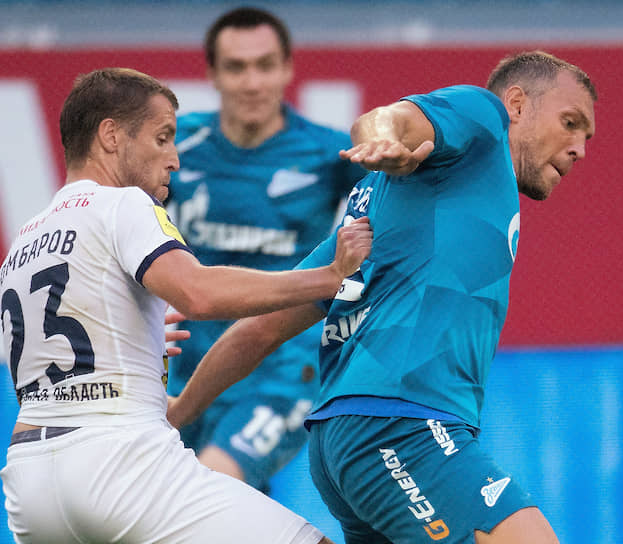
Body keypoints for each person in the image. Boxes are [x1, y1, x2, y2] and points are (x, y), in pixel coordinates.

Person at [169, 51, 597, 543]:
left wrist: (180, 410)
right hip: (400, 426)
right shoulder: (486, 115)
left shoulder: (372, 215)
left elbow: (261, 328)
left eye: (587, 137)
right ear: (517, 104)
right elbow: (386, 119)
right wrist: (385, 138)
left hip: (344, 440)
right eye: (570, 123)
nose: (579, 149)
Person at [0, 68, 371, 543]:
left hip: (30, 482)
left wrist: (138, 339)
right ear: (111, 136)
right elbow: (198, 293)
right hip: (116, 459)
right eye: (162, 138)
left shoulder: (25, 241)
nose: (174, 159)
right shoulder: (123, 204)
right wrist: (330, 276)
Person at [164, 6, 366, 492]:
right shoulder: (173, 144)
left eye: (265, 65)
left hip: (281, 369)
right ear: (213, 74)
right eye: (236, 67)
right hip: (183, 370)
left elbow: (406, 205)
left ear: (287, 68)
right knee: (179, 507)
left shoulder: (330, 153)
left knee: (209, 486)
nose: (252, 83)